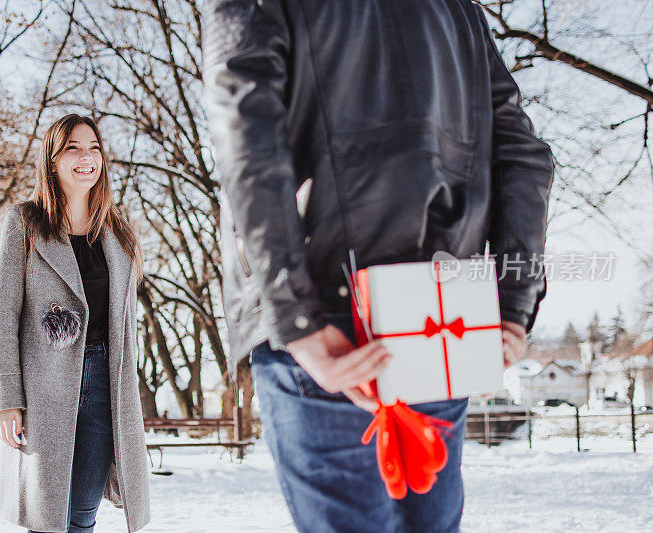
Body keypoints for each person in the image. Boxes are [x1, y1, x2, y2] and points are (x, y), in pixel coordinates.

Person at [203, 1, 553, 532]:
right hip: (437, 316)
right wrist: (512, 305)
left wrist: (294, 314)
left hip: (323, 311)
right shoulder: (457, 8)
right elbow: (524, 153)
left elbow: (249, 139)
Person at [0, 114, 150, 533]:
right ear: (52, 160)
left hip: (103, 386)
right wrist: (5, 398)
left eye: (94, 147)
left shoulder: (119, 236)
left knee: (81, 516)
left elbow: (126, 328)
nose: (86, 157)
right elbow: (2, 317)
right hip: (45, 389)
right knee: (47, 518)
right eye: (73, 147)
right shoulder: (22, 223)